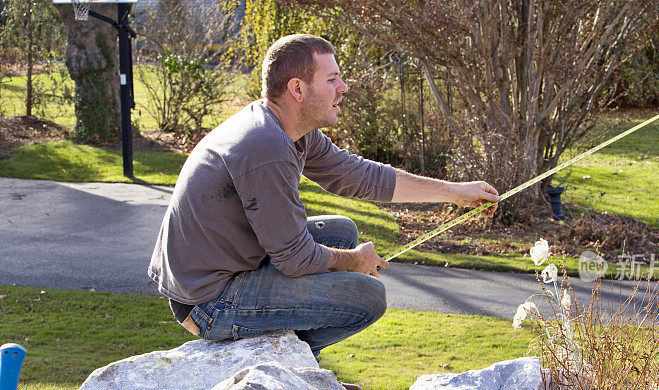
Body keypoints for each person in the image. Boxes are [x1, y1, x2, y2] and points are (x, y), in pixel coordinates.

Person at [148, 34, 499, 370]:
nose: (343, 88)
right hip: (207, 300)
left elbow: (360, 176)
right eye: (331, 79)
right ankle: (295, 375)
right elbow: (296, 259)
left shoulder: (288, 129)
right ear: (297, 89)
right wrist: (356, 261)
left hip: (229, 267)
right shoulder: (266, 147)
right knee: (367, 297)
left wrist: (456, 192)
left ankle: (300, 370)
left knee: (342, 231)